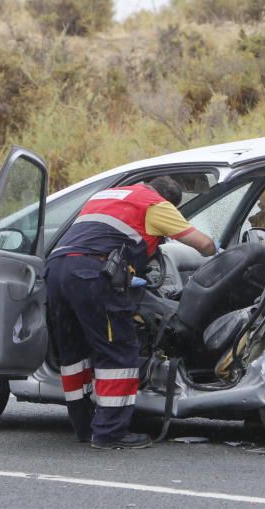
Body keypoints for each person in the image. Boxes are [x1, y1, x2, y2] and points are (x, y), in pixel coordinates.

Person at [46, 176, 216, 449]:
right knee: (118, 351)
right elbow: (203, 245)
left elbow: (98, 236)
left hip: (56, 270)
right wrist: (219, 250)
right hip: (92, 274)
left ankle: (84, 427)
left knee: (74, 353)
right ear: (168, 200)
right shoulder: (156, 205)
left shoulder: (108, 194)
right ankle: (110, 433)